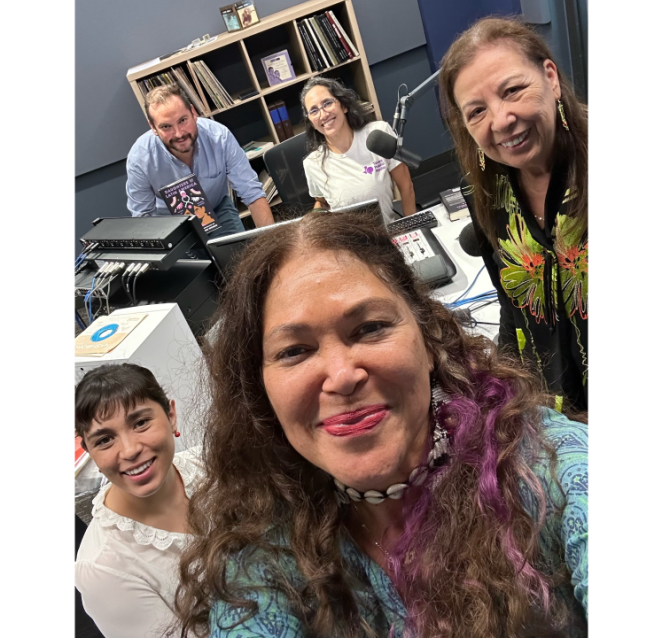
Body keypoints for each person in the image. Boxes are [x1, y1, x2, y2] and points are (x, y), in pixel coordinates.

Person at [173, 211, 587, 637]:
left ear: (429, 344)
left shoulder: (546, 467)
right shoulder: (261, 542)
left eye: (370, 328)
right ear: (261, 390)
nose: (342, 375)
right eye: (295, 351)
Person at [438, 17, 588, 412]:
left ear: (550, 78)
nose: (501, 120)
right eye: (476, 111)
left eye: (513, 90)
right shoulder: (487, 191)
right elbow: (513, 310)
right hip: (556, 415)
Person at [75, 363, 203, 638]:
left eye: (141, 423)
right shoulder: (105, 568)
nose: (130, 450)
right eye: (105, 440)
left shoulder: (212, 469)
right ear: (91, 454)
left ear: (171, 416)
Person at [126, 84, 275, 236]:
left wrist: (273, 248)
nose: (178, 134)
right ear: (153, 127)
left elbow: (252, 192)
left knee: (238, 256)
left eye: (183, 120)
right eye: (166, 126)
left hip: (218, 209)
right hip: (171, 225)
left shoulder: (220, 137)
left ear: (193, 112)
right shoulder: (140, 159)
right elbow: (142, 217)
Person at [301, 77, 417, 223]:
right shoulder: (313, 163)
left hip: (389, 233)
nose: (323, 114)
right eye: (314, 110)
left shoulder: (378, 134)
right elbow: (321, 202)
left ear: (344, 106)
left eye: (327, 103)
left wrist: (412, 226)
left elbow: (406, 186)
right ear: (311, 121)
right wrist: (313, 219)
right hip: (350, 242)